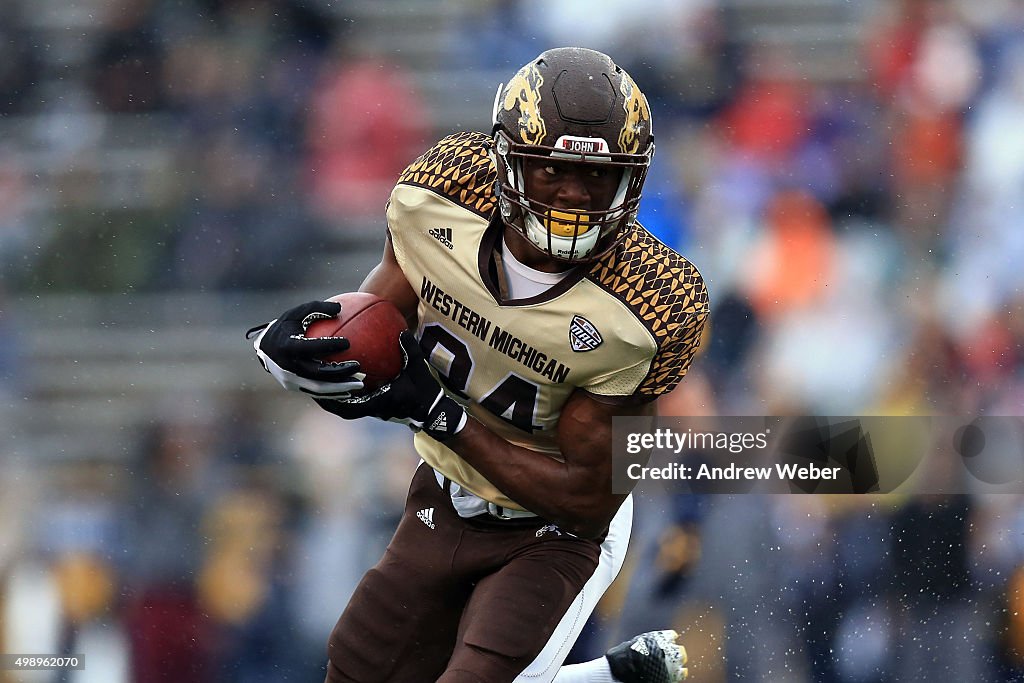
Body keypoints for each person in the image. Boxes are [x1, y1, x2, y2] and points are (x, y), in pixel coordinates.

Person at [250, 47, 708, 683]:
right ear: (509, 165)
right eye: (552, 170)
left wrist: (440, 416)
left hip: (555, 533)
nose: (575, 195)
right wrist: (296, 350)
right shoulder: (439, 203)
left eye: (598, 177)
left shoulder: (642, 306)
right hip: (445, 491)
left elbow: (583, 497)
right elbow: (376, 331)